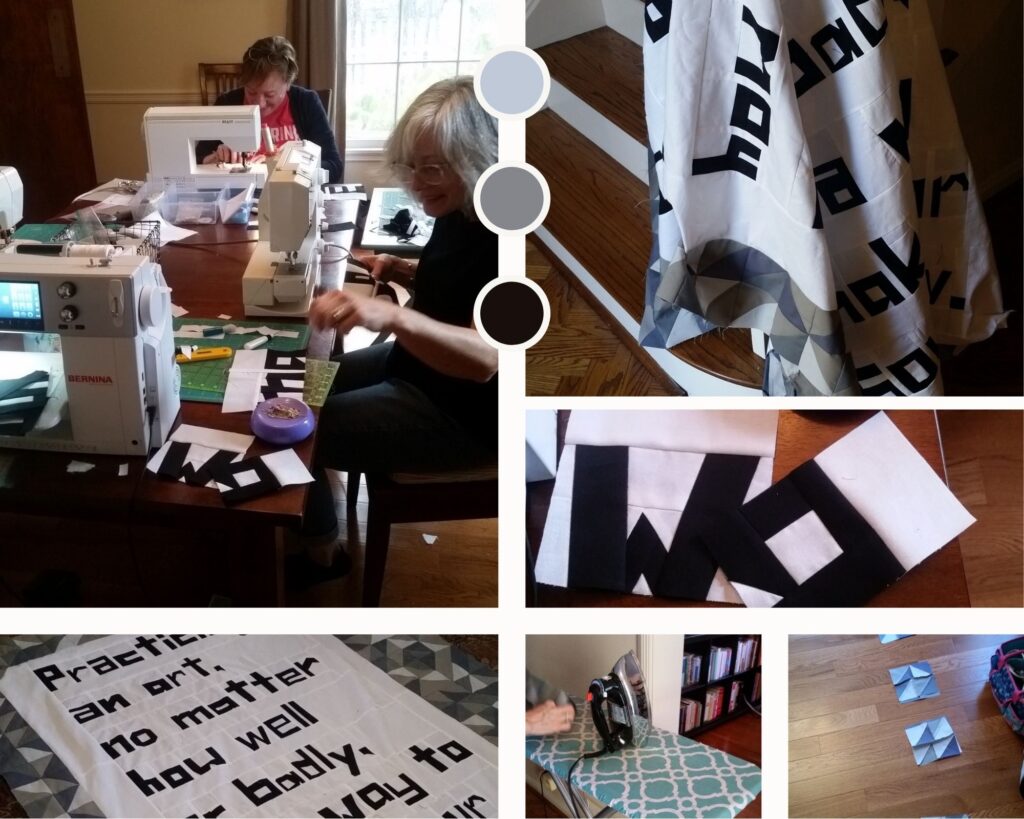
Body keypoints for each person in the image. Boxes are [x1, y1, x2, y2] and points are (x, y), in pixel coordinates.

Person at [291, 76, 498, 586]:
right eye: (411, 165)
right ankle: (313, 523)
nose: (417, 181)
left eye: (433, 167)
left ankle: (321, 556)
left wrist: (392, 316)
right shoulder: (458, 208)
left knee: (299, 429)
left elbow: (486, 358)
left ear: (479, 157)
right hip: (419, 369)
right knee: (300, 386)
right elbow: (456, 287)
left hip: (463, 414)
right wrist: (397, 267)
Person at [194, 35, 342, 183]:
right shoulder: (227, 103)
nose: (259, 103)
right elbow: (197, 157)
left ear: (288, 83)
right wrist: (214, 157)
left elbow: (334, 166)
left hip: (291, 196)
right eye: (251, 92)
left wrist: (290, 166)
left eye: (269, 94)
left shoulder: (306, 102)